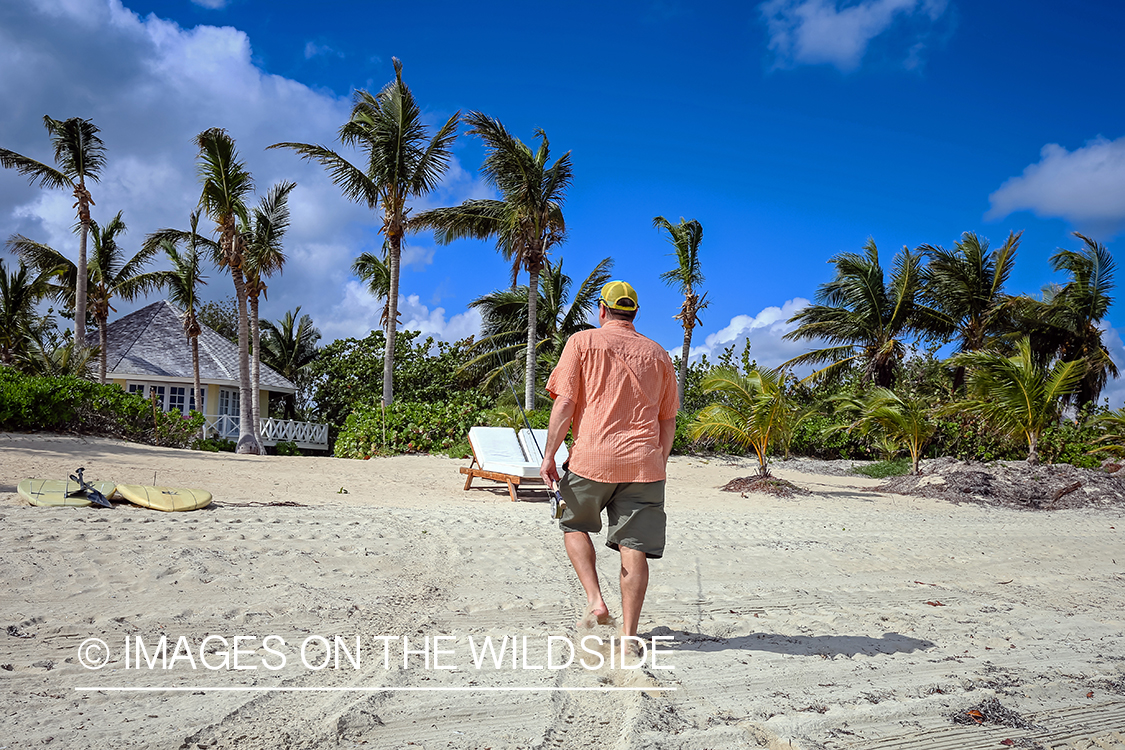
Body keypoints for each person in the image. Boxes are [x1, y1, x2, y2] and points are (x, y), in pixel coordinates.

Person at [539, 280, 679, 639]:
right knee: (634, 547)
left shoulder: (581, 342)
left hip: (592, 459)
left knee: (573, 524)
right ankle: (628, 637)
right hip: (645, 464)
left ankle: (595, 600)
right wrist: (659, 461)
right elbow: (668, 420)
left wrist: (549, 455)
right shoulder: (659, 354)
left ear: (602, 309)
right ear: (635, 313)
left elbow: (565, 403)